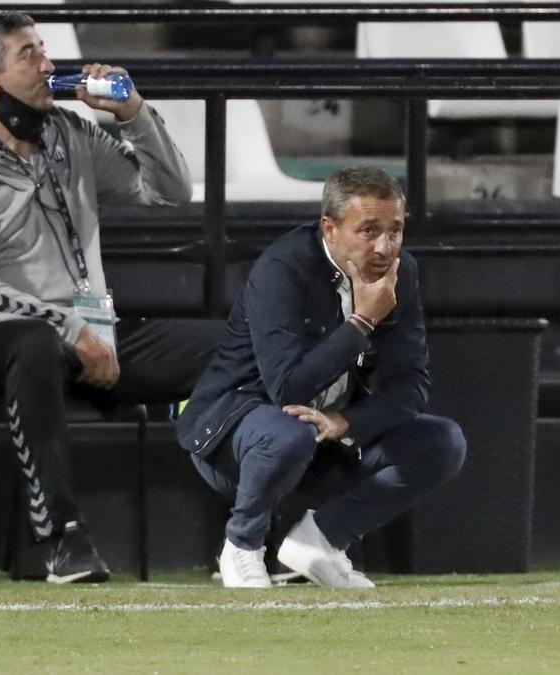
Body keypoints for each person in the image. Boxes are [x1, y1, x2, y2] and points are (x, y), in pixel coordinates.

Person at [0, 13, 220, 584]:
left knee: (236, 346)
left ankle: (268, 534)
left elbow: (171, 191)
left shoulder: (69, 135)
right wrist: (65, 327)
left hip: (90, 338)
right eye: (28, 54)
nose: (49, 65)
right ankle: (61, 539)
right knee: (32, 344)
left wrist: (132, 113)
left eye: (44, 50)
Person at [176, 167, 467, 588]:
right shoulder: (282, 268)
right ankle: (241, 545)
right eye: (368, 230)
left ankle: (323, 539)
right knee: (289, 432)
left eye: (396, 231)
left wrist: (346, 423)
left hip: (323, 441)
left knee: (442, 443)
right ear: (330, 229)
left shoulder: (404, 274)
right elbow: (288, 388)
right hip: (235, 438)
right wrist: (363, 321)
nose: (385, 248)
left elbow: (412, 385)